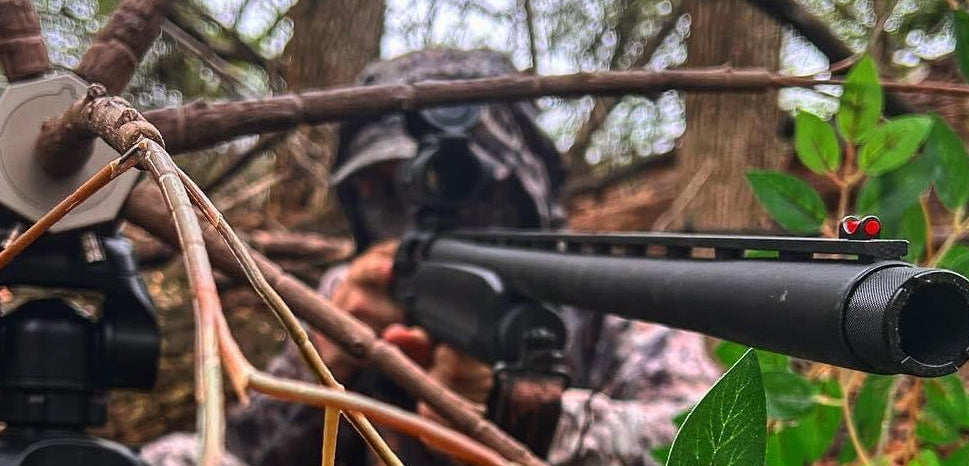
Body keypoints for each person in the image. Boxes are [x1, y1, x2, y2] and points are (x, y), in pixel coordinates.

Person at [141, 48, 720, 466]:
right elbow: (228, 447)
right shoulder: (350, 294)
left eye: (464, 184)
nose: (417, 211)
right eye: (381, 191)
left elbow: (713, 436)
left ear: (523, 194)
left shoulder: (596, 291)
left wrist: (525, 419)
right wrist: (321, 366)